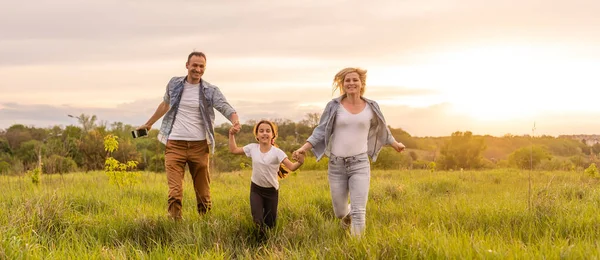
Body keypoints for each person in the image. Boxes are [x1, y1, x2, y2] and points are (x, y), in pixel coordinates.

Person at [292, 67, 405, 237]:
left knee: (360, 212)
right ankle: (348, 215)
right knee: (340, 212)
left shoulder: (371, 107)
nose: (351, 83)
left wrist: (395, 144)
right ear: (343, 84)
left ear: (361, 84)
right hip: (336, 165)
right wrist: (303, 148)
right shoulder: (334, 106)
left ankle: (356, 249)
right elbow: (320, 130)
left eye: (355, 80)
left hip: (360, 164)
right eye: (347, 80)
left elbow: (383, 128)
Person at [138, 51, 240, 220]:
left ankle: (205, 224)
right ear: (187, 65)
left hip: (199, 147)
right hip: (174, 145)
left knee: (203, 194)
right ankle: (174, 227)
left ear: (204, 68)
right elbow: (165, 104)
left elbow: (225, 107)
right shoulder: (174, 83)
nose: (197, 69)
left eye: (201, 66)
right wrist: (149, 124)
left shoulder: (210, 90)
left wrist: (235, 121)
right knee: (175, 192)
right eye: (194, 65)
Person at [228, 120, 305, 240]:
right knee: (258, 220)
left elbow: (292, 167)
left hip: (271, 192)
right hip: (256, 190)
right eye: (261, 131)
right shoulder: (252, 148)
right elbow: (234, 150)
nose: (264, 133)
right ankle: (260, 243)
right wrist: (231, 134)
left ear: (273, 135)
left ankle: (269, 242)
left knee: (270, 224)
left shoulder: (277, 152)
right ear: (257, 135)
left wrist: (300, 161)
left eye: (268, 131)